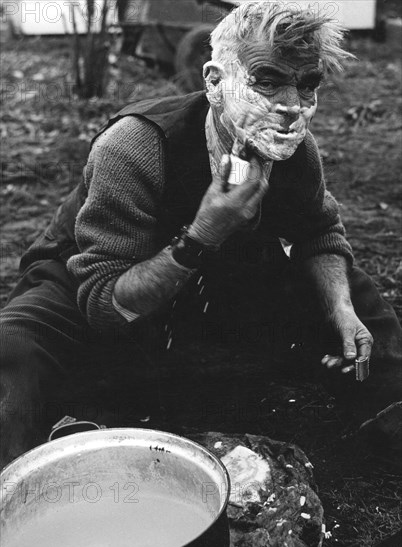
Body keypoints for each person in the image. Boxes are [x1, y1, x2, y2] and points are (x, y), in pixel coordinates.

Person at [1, 2, 401, 470]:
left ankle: (387, 421)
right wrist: (204, 233)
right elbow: (105, 304)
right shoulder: (134, 146)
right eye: (267, 81)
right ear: (214, 82)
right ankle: (23, 478)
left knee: (363, 311)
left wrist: (339, 309)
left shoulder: (292, 147)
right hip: (90, 281)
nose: (291, 107)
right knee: (15, 352)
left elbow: (319, 231)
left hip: (213, 280)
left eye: (307, 85)